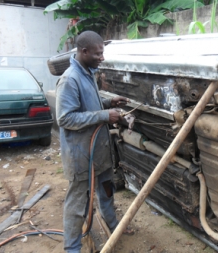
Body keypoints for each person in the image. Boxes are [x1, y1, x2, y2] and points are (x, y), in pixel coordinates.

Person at [56, 30, 130, 253]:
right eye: (98, 54)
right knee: (78, 203)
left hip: (99, 151)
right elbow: (65, 118)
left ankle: (113, 226)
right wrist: (105, 116)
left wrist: (108, 102)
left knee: (106, 191)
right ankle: (72, 248)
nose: (102, 58)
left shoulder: (88, 73)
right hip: (80, 156)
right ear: (84, 51)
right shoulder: (70, 79)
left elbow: (88, 104)